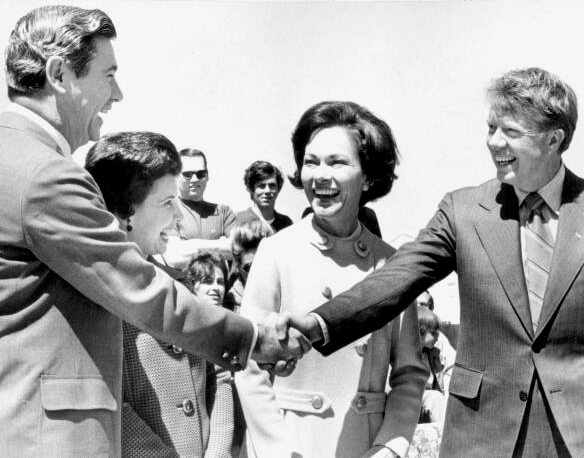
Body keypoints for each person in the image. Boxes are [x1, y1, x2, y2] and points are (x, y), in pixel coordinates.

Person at [0, 6, 304, 456]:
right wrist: (251, 338)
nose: (117, 93)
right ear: (59, 73)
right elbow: (141, 291)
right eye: (108, 75)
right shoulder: (47, 175)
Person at [289, 67, 581, 456]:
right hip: (481, 436)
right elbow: (396, 279)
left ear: (554, 139)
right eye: (490, 128)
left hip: (572, 432)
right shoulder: (462, 211)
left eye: (510, 132)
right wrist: (316, 324)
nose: (494, 143)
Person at [235, 101, 427, 458]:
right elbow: (249, 365)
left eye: (337, 162)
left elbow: (410, 374)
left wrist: (389, 448)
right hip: (294, 446)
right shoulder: (275, 251)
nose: (320, 175)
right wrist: (277, 451)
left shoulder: (392, 263)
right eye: (311, 162)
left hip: (366, 446)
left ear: (368, 176)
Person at [85, 132, 236, 457]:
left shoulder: (180, 282)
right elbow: (111, 402)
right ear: (126, 212)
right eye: (167, 203)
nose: (180, 216)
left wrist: (219, 450)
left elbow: (219, 374)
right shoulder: (97, 297)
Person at [163, 148, 237, 268]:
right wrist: (224, 246)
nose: (194, 179)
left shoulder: (224, 212)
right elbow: (175, 257)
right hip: (182, 286)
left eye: (200, 174)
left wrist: (189, 247)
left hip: (216, 285)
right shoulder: (167, 210)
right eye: (187, 175)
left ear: (207, 176)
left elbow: (241, 248)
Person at [224, 220, 274, 313]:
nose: (259, 272)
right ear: (238, 267)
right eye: (249, 267)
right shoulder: (231, 306)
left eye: (265, 263)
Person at [417, 306, 453, 424]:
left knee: (436, 398)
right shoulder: (405, 353)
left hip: (426, 399)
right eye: (433, 333)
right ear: (420, 332)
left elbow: (451, 366)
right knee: (435, 398)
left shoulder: (431, 351)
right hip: (408, 398)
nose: (437, 336)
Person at [236, 160, 293, 233]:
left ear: (278, 189)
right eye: (261, 186)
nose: (267, 191)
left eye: (272, 185)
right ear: (251, 189)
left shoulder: (286, 224)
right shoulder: (238, 221)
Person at [415, 291, 456, 366]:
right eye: (413, 304)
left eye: (422, 304)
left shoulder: (439, 338)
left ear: (431, 308)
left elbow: (452, 365)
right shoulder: (395, 338)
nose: (417, 308)